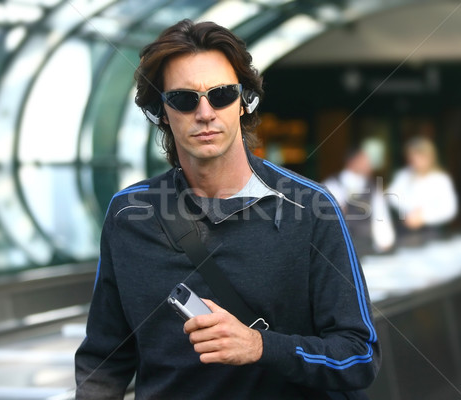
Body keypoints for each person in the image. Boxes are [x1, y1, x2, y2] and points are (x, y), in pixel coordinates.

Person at [75, 19, 380, 399]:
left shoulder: (311, 207)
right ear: (160, 112)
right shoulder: (128, 214)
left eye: (221, 95)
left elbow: (359, 354)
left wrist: (260, 346)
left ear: (243, 102)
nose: (205, 112)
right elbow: (104, 360)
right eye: (184, 99)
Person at [386, 136, 458, 247]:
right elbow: (391, 196)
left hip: (429, 231)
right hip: (403, 228)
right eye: (411, 157)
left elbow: (449, 209)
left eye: (418, 157)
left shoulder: (440, 179)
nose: (415, 161)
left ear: (429, 157)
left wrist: (423, 216)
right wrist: (410, 211)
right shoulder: (404, 175)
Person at [323, 149, 395, 256]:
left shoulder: (373, 186)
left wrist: (385, 240)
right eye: (364, 160)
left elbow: (380, 216)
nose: (369, 164)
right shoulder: (332, 184)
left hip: (367, 245)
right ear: (352, 161)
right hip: (341, 247)